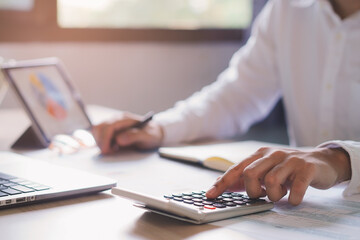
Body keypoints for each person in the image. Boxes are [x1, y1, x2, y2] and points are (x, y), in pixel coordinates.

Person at [92, 0, 360, 206]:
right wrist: (160, 128)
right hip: (304, 210)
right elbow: (237, 95)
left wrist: (342, 160)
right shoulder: (287, 8)